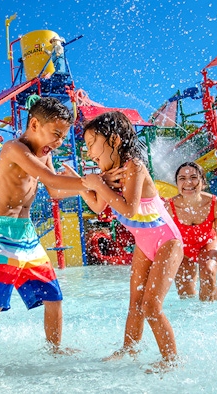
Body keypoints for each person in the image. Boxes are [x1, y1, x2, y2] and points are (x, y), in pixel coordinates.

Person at [0, 96, 89, 384]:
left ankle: (54, 349)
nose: (58, 142)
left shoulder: (45, 152)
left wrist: (83, 189)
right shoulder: (13, 148)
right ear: (34, 124)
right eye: (56, 134)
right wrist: (92, 183)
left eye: (63, 137)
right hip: (3, 234)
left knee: (54, 297)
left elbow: (54, 191)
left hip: (27, 235)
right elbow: (49, 179)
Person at [72, 110, 184, 369]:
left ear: (113, 140)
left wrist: (99, 185)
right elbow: (99, 207)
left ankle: (170, 360)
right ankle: (129, 349)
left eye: (91, 144)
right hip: (144, 246)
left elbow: (130, 209)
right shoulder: (110, 175)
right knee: (135, 303)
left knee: (151, 306)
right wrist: (83, 184)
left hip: (167, 241)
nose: (89, 153)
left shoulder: (134, 166)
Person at [165, 162, 217, 301]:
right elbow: (161, 242)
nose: (188, 182)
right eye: (182, 179)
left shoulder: (216, 204)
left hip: (207, 244)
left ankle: (212, 315)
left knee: (208, 273)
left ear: (203, 182)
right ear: (177, 183)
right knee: (186, 293)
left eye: (193, 177)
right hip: (183, 250)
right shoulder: (169, 207)